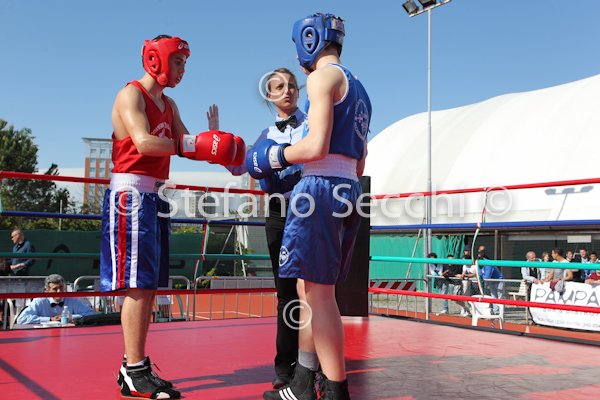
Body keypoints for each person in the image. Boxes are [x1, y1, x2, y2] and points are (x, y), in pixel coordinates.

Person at [100, 34, 244, 399]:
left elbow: (189, 146)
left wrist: (216, 143)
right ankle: (134, 370)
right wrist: (195, 144)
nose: (182, 70)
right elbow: (144, 142)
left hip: (155, 196)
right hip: (130, 195)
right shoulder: (131, 95)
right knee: (137, 284)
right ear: (156, 58)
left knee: (148, 284)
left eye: (185, 63)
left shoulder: (170, 104)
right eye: (178, 61)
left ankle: (134, 367)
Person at [255, 13, 371, 400]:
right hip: (348, 188)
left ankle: (336, 390)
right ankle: (303, 381)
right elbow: (360, 161)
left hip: (320, 189)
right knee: (309, 290)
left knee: (318, 296)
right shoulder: (360, 89)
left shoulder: (322, 78)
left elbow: (316, 145)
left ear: (310, 39)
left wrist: (273, 156)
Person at [223, 67, 305, 389]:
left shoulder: (313, 125)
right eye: (279, 87)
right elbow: (238, 167)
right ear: (269, 96)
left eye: (292, 85)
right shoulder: (265, 134)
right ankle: (285, 366)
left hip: (309, 209)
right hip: (278, 212)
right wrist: (216, 143)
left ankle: (312, 364)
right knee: (286, 294)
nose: (288, 91)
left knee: (313, 292)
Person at [16, 274, 96, 325]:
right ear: (47, 291)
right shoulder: (39, 301)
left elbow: (92, 314)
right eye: (55, 289)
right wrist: (50, 319)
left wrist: (71, 317)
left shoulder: (72, 300)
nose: (59, 291)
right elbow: (22, 319)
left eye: (61, 287)